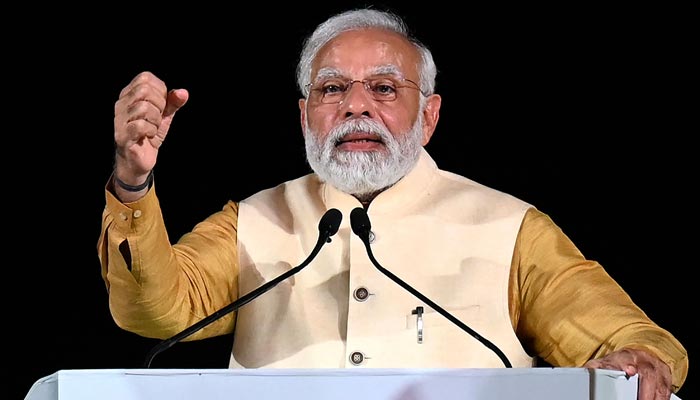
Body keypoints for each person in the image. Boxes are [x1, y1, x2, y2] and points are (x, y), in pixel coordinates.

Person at [98, 7, 687, 400]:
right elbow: (154, 312)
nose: (356, 106)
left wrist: (639, 360)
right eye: (332, 88)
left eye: (383, 88)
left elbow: (633, 341)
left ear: (428, 116)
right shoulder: (251, 222)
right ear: (304, 115)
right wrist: (132, 183)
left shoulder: (510, 228)